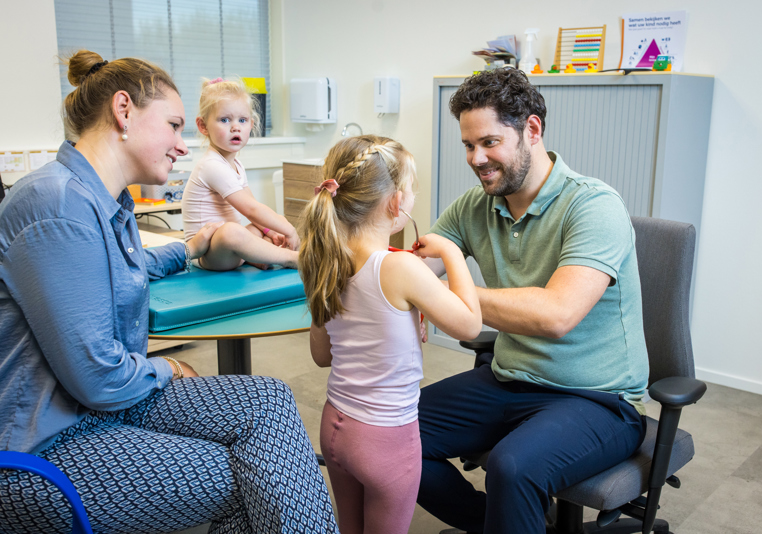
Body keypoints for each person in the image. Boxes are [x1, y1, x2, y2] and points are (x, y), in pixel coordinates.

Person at [0, 50, 338, 534]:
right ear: (123, 110)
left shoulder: (100, 200)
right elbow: (99, 377)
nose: (182, 145)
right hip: (46, 440)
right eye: (175, 126)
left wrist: (190, 248)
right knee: (262, 476)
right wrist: (171, 367)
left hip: (93, 405)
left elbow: (122, 265)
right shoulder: (55, 205)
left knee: (270, 399)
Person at [415, 68, 650, 534]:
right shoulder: (473, 207)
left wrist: (439, 295)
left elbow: (557, 314)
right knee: (389, 430)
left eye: (489, 142)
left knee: (513, 467)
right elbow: (416, 273)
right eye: (468, 145)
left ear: (532, 129)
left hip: (599, 400)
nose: (476, 158)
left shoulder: (593, 205)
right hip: (509, 379)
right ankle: (503, 524)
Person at [298, 135, 482, 534]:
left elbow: (322, 356)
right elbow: (470, 325)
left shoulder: (328, 261)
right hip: (386, 439)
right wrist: (452, 252)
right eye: (411, 189)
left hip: (335, 427)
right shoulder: (401, 268)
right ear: (396, 203)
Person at [182, 77, 298, 270]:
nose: (235, 127)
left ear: (251, 124)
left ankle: (256, 256)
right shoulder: (211, 165)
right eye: (224, 120)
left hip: (228, 251)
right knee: (232, 232)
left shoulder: (236, 165)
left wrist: (270, 232)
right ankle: (290, 258)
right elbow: (251, 209)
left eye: (242, 120)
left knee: (254, 229)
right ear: (203, 126)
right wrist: (289, 229)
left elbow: (253, 209)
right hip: (207, 255)